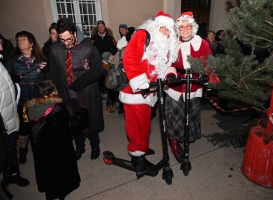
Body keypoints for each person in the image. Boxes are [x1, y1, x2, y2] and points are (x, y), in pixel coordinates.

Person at [119, 11, 179, 178]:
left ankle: (141, 147)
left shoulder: (163, 46)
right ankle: (138, 159)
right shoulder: (143, 35)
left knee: (145, 124)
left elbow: (164, 66)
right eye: (162, 28)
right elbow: (130, 57)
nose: (165, 33)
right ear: (155, 26)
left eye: (168, 30)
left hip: (150, 93)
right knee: (137, 126)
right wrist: (140, 82)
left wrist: (169, 73)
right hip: (135, 92)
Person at [49, 17, 106, 160]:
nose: (66, 43)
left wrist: (81, 81)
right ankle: (79, 147)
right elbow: (55, 74)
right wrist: (60, 95)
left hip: (87, 92)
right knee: (75, 122)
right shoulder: (55, 49)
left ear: (75, 33)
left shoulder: (88, 47)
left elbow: (99, 70)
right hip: (68, 94)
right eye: (62, 40)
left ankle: (95, 145)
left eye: (69, 39)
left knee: (90, 119)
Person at [23, 80, 87, 200]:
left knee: (48, 172)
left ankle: (51, 193)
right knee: (60, 171)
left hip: (42, 149)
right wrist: (82, 113)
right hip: (58, 147)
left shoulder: (30, 107)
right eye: (55, 90)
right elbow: (70, 126)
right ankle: (62, 192)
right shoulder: (56, 109)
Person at [163, 11, 212, 162]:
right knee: (175, 116)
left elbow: (209, 62)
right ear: (178, 29)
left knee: (190, 115)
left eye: (188, 26)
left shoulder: (202, 43)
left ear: (193, 27)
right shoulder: (173, 43)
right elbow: (167, 62)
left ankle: (185, 137)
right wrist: (170, 73)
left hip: (194, 84)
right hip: (176, 84)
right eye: (182, 27)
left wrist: (206, 74)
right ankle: (174, 141)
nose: (185, 29)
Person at [5, 31, 48, 165]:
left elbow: (48, 80)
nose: (20, 42)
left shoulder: (41, 59)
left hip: (37, 101)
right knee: (24, 128)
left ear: (32, 43)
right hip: (22, 101)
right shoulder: (12, 60)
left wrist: (46, 70)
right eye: (18, 40)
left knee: (39, 127)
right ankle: (22, 152)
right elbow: (5, 80)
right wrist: (14, 78)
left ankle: (40, 151)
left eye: (23, 39)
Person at [0, 49, 27, 199]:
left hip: (8, 116)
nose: (1, 48)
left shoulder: (1, 62)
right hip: (2, 121)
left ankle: (14, 174)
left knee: (10, 150)